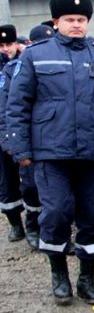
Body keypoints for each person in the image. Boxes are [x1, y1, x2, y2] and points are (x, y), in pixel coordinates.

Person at [7, 0, 94, 306]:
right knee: (55, 212)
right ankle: (59, 274)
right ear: (55, 22)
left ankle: (87, 278)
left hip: (92, 153)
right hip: (50, 152)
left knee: (92, 217)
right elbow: (17, 106)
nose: (76, 25)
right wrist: (21, 149)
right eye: (69, 20)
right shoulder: (35, 56)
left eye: (81, 20)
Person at [0, 24, 41, 248]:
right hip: (3, 134)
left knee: (30, 183)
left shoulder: (26, 64)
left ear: (17, 44)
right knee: (7, 184)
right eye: (2, 45)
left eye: (9, 44)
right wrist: (5, 139)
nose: (6, 49)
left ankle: (34, 223)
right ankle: (15, 223)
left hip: (22, 132)